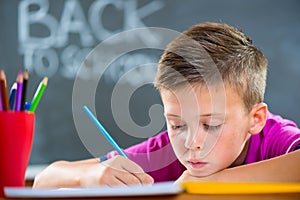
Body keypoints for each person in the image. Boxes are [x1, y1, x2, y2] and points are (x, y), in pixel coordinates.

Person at [33, 22, 300, 188]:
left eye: (212, 124)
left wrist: (207, 185)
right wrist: (89, 177)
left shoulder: (275, 139)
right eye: (177, 124)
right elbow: (46, 180)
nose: (192, 142)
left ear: (255, 119)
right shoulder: (165, 154)